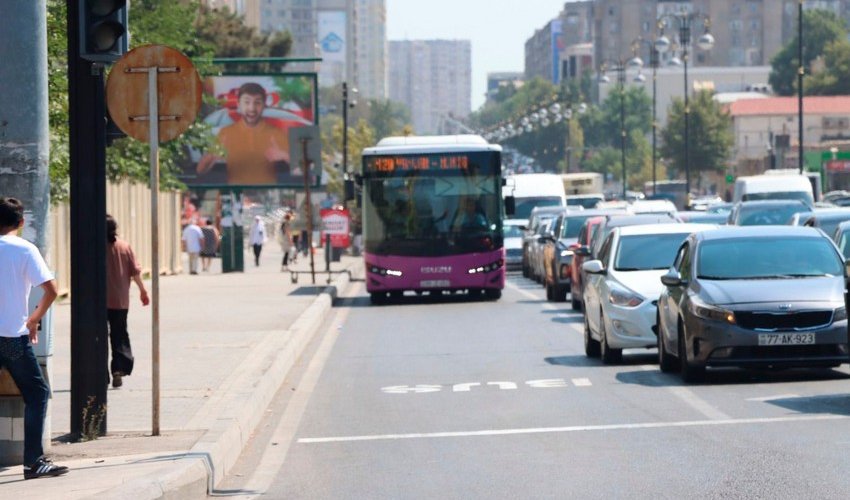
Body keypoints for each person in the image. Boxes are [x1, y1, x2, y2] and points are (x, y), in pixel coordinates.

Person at [0, 197, 68, 479]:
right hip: (12, 338)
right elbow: (51, 290)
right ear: (21, 222)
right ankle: (33, 461)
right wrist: (34, 319)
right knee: (37, 393)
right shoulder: (25, 250)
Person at [196, 82, 290, 185]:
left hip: (269, 194)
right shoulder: (226, 132)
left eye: (257, 103)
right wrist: (212, 155)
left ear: (264, 105)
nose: (252, 108)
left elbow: (303, 169)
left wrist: (283, 155)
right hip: (235, 194)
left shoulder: (275, 132)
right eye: (247, 102)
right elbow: (200, 170)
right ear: (238, 104)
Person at [106, 215, 149, 389]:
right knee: (119, 334)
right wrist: (143, 290)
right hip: (120, 300)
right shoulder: (124, 247)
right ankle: (118, 368)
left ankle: (99, 373)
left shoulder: (93, 247)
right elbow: (135, 272)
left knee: (98, 337)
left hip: (98, 302)